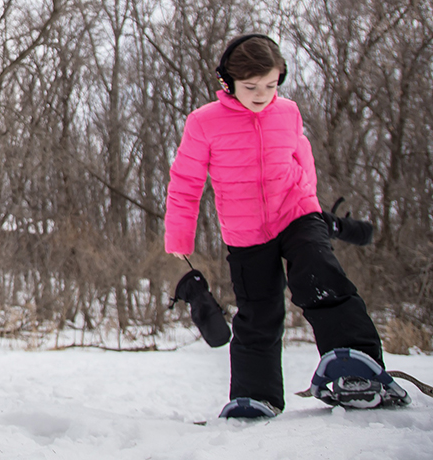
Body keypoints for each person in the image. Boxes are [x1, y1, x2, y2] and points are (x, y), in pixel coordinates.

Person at [163, 34, 390, 417]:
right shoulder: (204, 123)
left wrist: (313, 207)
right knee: (258, 309)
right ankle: (256, 395)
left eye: (271, 84)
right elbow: (185, 181)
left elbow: (302, 157)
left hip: (297, 211)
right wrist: (179, 235)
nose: (262, 93)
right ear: (228, 82)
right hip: (245, 229)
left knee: (319, 275)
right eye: (251, 87)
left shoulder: (288, 112)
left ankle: (357, 367)